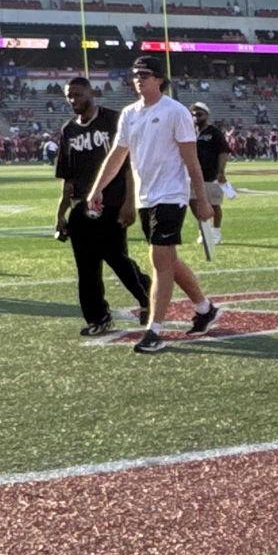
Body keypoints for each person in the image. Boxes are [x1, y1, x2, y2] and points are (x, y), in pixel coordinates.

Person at [82, 57, 218, 355]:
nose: (138, 79)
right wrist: (97, 188)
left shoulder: (175, 112)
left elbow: (191, 160)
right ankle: (204, 308)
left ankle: (154, 330)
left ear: (159, 79)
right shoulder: (129, 114)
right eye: (135, 74)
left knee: (159, 260)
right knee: (166, 260)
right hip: (146, 196)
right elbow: (117, 155)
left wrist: (202, 200)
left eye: (144, 74)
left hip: (171, 195)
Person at [54, 76, 150, 338]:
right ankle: (98, 317)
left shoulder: (113, 120)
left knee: (116, 258)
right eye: (69, 95)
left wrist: (130, 202)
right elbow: (67, 177)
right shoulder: (68, 130)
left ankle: (146, 293)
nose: (73, 99)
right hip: (82, 205)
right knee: (86, 267)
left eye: (78, 94)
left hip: (113, 202)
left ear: (91, 93)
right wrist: (61, 213)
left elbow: (129, 165)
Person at [191, 102, 232, 230]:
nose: (196, 117)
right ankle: (204, 228)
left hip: (210, 174)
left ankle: (216, 230)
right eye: (193, 115)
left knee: (214, 204)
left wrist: (221, 171)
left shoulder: (214, 132)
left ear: (207, 115)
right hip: (193, 174)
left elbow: (223, 152)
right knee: (192, 201)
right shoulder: (190, 132)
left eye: (199, 114)